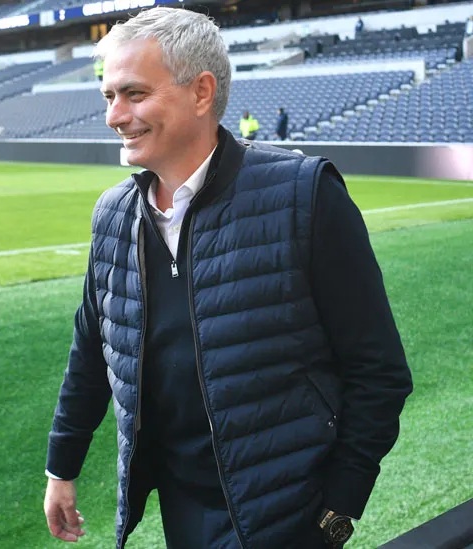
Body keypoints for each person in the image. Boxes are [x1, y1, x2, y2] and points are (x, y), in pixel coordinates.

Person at [43, 7, 412, 549]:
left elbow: (379, 372)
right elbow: (91, 351)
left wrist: (338, 505)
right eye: (108, 96)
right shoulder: (113, 215)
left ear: (201, 92)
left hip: (290, 517)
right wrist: (61, 467)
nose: (114, 115)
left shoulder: (304, 195)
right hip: (183, 511)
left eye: (134, 94)